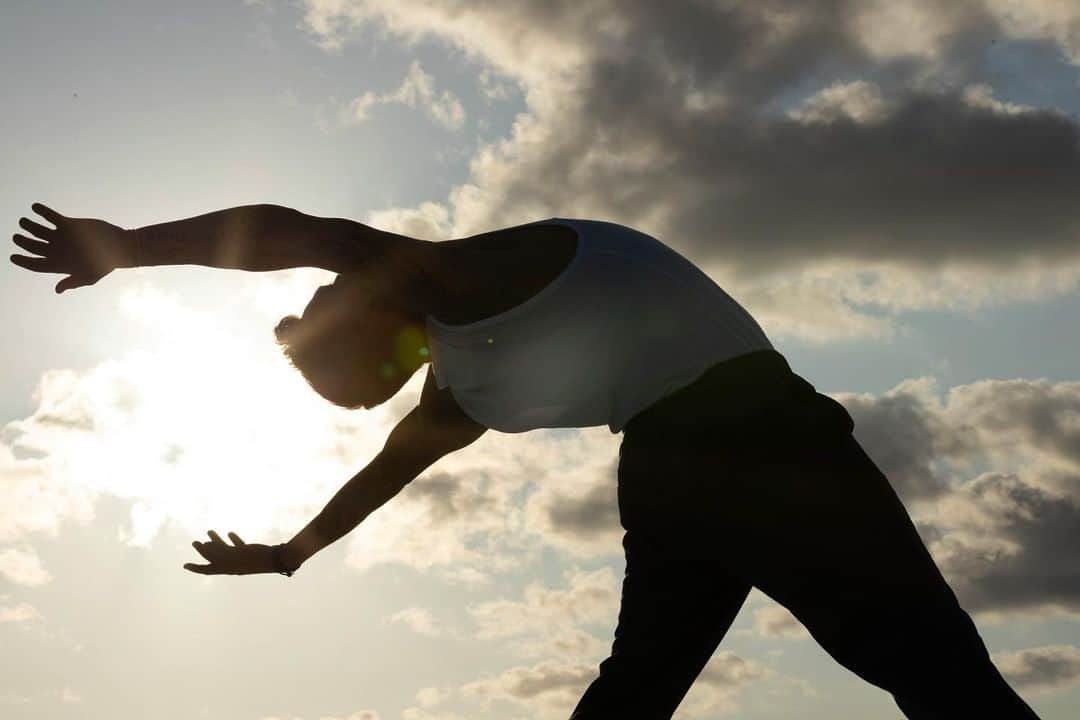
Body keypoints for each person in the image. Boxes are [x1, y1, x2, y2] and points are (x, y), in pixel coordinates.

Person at [9, 202, 1041, 719]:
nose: (321, 287)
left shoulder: (462, 388)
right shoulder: (455, 289)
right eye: (326, 300)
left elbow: (379, 478)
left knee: (632, 695)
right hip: (755, 439)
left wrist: (289, 557)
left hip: (671, 483)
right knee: (939, 673)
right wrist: (127, 249)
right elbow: (291, 230)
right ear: (378, 320)